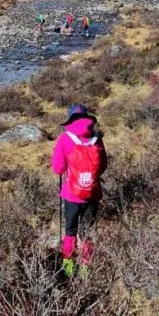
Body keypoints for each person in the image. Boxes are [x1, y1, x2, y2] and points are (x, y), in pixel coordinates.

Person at [50, 103, 108, 277]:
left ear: (70, 119)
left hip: (71, 195)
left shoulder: (65, 139)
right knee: (87, 233)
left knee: (70, 231)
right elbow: (103, 166)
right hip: (93, 194)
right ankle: (85, 270)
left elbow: (58, 168)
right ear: (87, 118)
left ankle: (68, 268)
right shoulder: (97, 137)